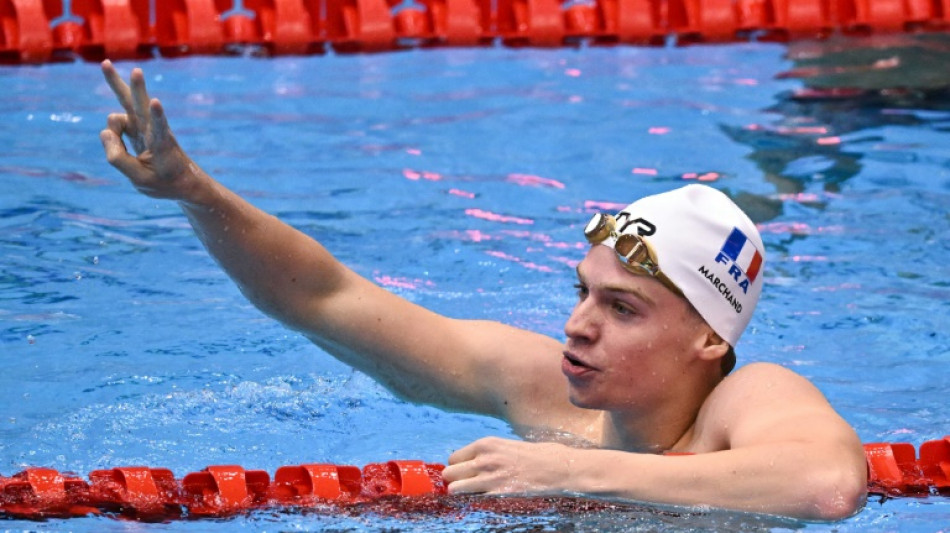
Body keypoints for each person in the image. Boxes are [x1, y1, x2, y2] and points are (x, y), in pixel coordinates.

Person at [98, 59, 867, 521]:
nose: (578, 326)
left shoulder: (744, 402)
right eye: (584, 292)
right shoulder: (539, 388)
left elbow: (827, 484)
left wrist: (566, 471)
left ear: (710, 338)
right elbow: (324, 299)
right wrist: (197, 194)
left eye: (621, 307)